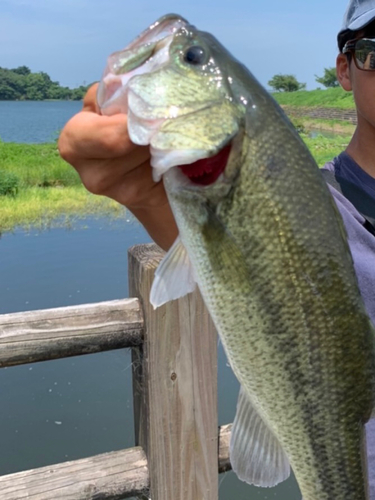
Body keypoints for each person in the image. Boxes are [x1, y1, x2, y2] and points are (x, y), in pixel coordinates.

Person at [58, 0, 375, 495]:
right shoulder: (309, 208)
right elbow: (231, 266)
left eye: (189, 59)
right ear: (345, 70)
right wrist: (144, 192)